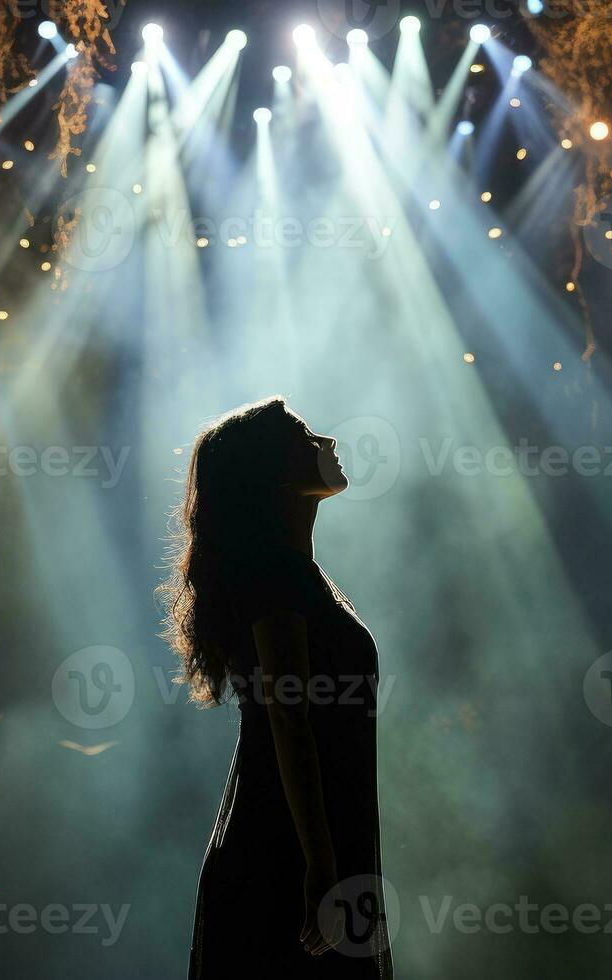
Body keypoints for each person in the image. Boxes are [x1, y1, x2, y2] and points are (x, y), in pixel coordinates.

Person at [159, 397, 393, 979]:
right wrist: (319, 861)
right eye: (306, 436)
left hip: (303, 842)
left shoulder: (293, 575)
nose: (328, 444)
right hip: (284, 852)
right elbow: (289, 719)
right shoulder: (276, 577)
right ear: (274, 471)